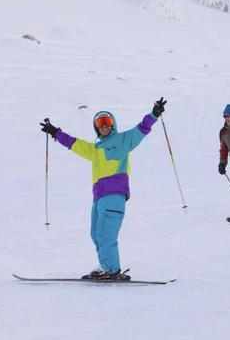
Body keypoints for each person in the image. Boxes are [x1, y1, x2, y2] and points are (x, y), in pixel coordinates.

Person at [40, 98, 166, 280]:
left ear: (113, 124)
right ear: (96, 127)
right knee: (96, 234)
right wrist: (55, 132)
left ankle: (111, 268)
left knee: (106, 233)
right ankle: (105, 264)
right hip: (99, 197)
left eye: (107, 122)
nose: (104, 126)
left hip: (114, 195)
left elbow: (142, 129)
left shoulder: (123, 140)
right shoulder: (95, 149)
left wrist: (154, 114)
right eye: (100, 123)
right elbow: (74, 144)